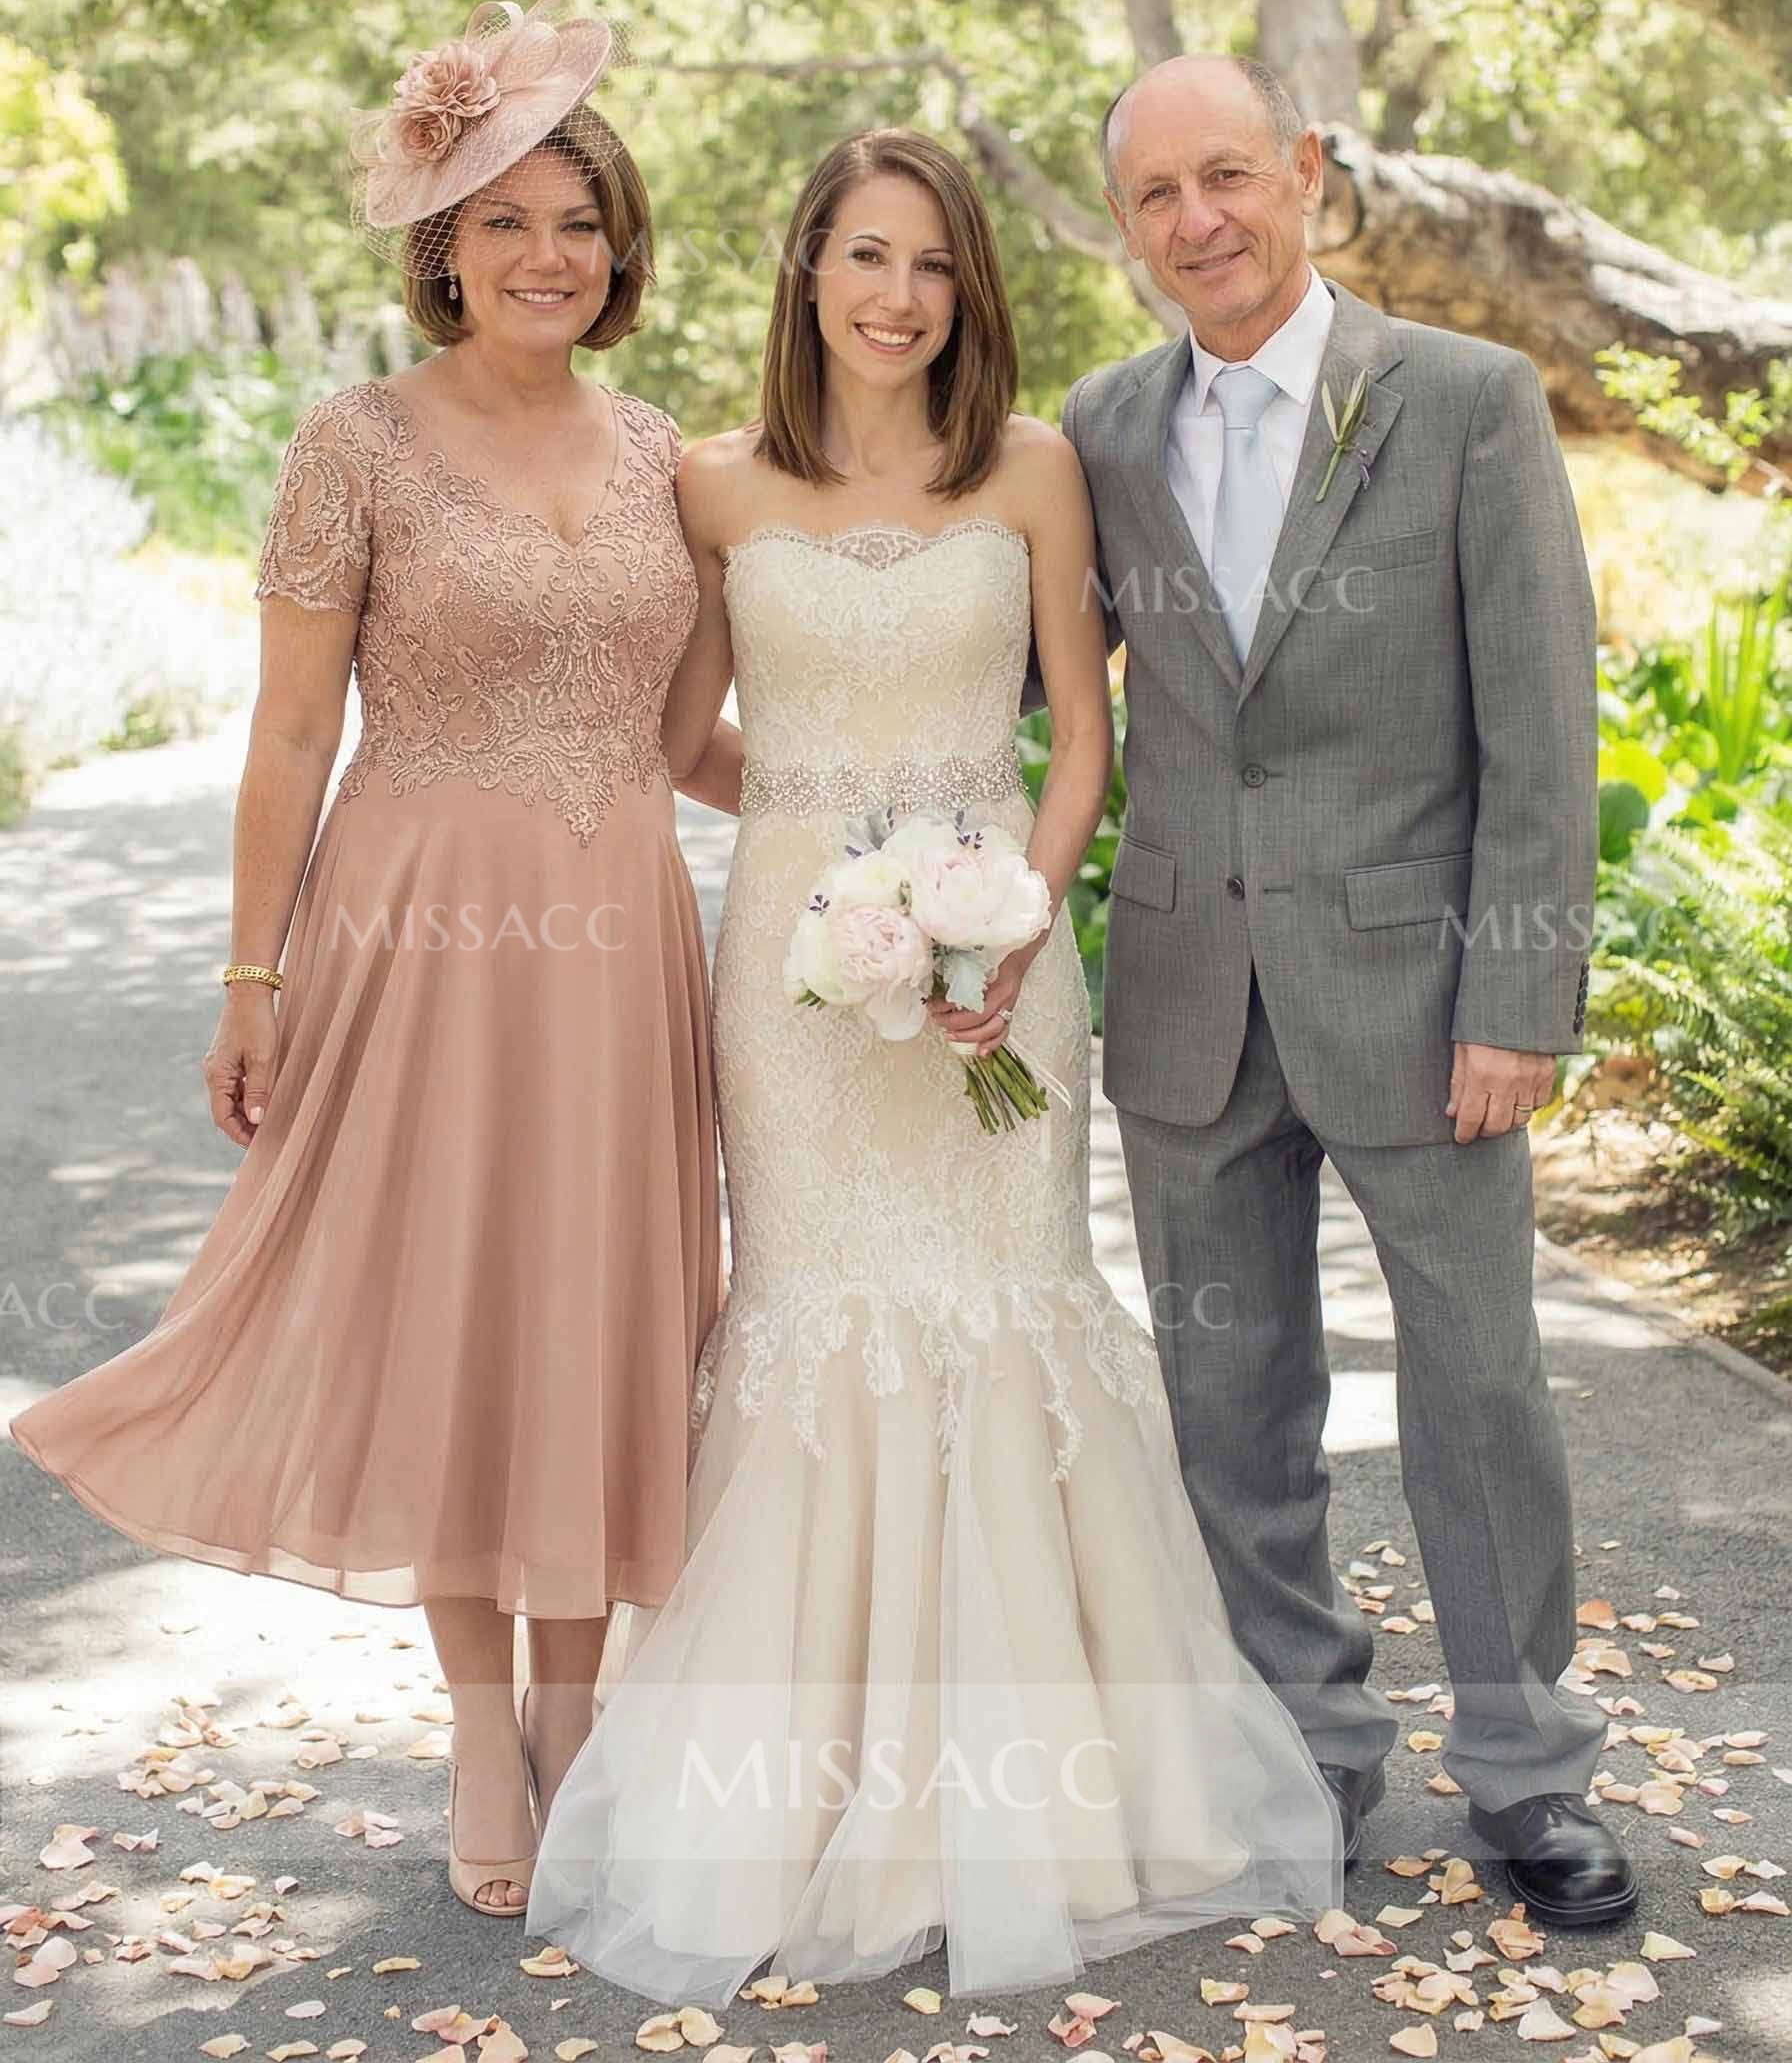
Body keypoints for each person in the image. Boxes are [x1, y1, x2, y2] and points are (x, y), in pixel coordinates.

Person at [524, 126, 1343, 2005]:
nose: (898, 297)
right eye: (866, 257)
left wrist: (1005, 913)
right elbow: (681, 740)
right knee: (819, 1318)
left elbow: (1081, 744)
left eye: (934, 264)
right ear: (807, 269)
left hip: (1004, 957)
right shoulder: (713, 484)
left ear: (968, 288)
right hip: (794, 984)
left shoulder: (1035, 470)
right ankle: (796, 1808)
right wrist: (842, 844)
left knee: (1005, 1306)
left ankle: (1054, 1803)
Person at [8, 0, 733, 1921]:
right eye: (505, 220)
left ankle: (578, 1717)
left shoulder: (667, 453)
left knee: (596, 1310)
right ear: (441, 246)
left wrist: (892, 813)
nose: (546, 254)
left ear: (621, 251)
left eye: (578, 222)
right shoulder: (355, 442)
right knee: (458, 1319)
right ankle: (483, 1730)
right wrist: (251, 978)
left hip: (619, 941)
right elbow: (284, 740)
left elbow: (689, 738)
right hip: (418, 938)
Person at [1051, 50, 1634, 1927]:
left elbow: (1541, 722)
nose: (1197, 220)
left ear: (1304, 170)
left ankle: (1529, 1776)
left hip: (1424, 1002)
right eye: (1158, 194)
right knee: (1231, 1402)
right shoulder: (1100, 429)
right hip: (1189, 998)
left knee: (1481, 1392)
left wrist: (1519, 998)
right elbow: (1040, 685)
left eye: (1227, 175)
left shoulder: (1464, 400)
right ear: (1126, 223)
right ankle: (1302, 1756)